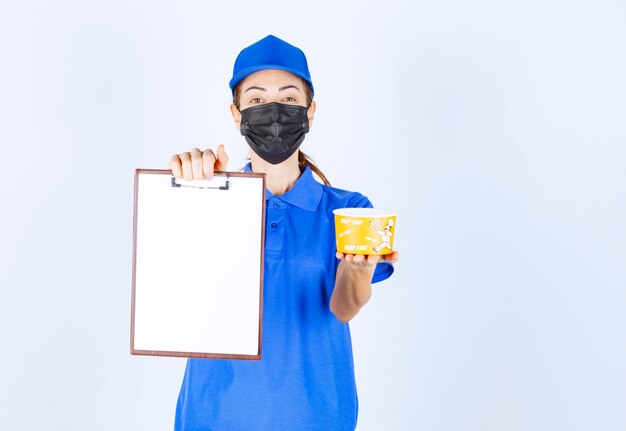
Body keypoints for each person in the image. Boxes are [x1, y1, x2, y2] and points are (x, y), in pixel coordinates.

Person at [168, 35, 399, 431]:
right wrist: (192, 190)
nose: (274, 111)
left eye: (289, 98)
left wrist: (358, 269)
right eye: (256, 100)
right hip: (213, 415)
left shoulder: (348, 211)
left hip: (316, 415)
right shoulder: (207, 201)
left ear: (311, 112)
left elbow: (344, 308)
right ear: (236, 114)